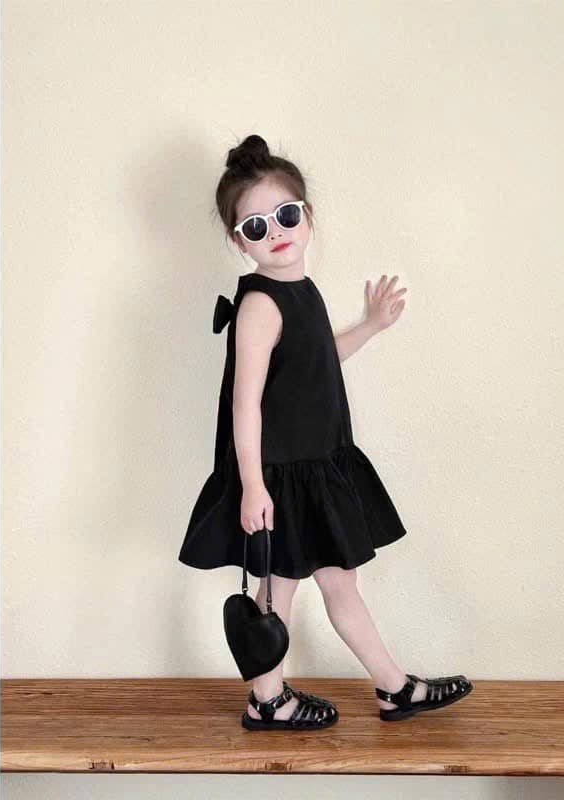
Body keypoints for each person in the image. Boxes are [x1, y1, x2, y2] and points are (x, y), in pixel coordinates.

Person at [178, 134, 472, 730]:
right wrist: (254, 487)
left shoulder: (301, 291)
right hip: (282, 477)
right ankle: (269, 699)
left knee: (339, 584)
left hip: (315, 467)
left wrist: (370, 326)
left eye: (285, 215)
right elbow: (244, 404)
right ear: (238, 241)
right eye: (255, 226)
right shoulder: (260, 305)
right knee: (277, 592)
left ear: (307, 216)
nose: (275, 232)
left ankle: (392, 687)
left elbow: (316, 362)